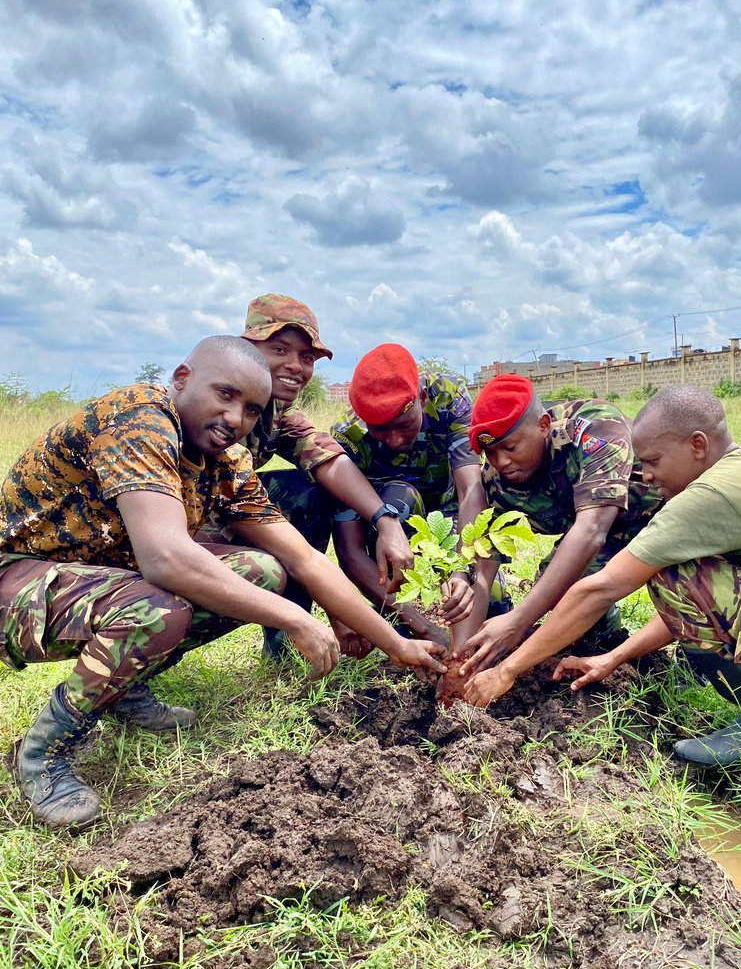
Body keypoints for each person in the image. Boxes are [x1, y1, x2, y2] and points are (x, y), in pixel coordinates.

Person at [0, 336, 444, 829]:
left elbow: (305, 561)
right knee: (159, 606)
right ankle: (44, 752)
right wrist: (294, 616)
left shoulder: (227, 462)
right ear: (182, 378)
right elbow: (167, 559)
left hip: (108, 578)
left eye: (252, 410)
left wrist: (398, 645)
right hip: (19, 578)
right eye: (225, 395)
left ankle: (123, 689)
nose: (236, 419)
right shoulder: (136, 418)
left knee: (265, 572)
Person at [462, 385, 741, 765]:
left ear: (696, 445)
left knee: (671, 574)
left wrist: (510, 668)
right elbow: (715, 603)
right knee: (691, 575)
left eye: (652, 461)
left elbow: (602, 588)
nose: (646, 476)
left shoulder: (712, 497)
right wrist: (614, 658)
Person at [239, 294, 413, 660]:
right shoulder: (218, 401)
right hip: (175, 529)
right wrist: (336, 606)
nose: (295, 366)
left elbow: (328, 459)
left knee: (312, 491)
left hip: (222, 510)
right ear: (247, 347)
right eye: (279, 349)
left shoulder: (277, 412)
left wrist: (385, 520)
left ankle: (286, 634)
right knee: (265, 567)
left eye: (306, 358)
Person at [460, 375, 661, 674]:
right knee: (556, 585)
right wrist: (460, 658)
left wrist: (518, 621)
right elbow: (483, 570)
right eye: (491, 452)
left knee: (683, 587)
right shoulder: (497, 481)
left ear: (543, 425)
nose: (500, 461)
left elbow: (591, 530)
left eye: (510, 447)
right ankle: (602, 636)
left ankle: (696, 656)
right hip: (600, 533)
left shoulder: (594, 427)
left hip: (660, 520)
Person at [331, 342, 495, 649]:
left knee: (488, 604)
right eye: (380, 430)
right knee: (400, 497)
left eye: (404, 425)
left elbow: (470, 488)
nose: (394, 440)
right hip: (390, 532)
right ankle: (399, 614)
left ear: (421, 398)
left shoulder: (447, 397)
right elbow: (349, 553)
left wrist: (462, 572)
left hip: (448, 517)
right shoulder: (347, 435)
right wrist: (424, 628)